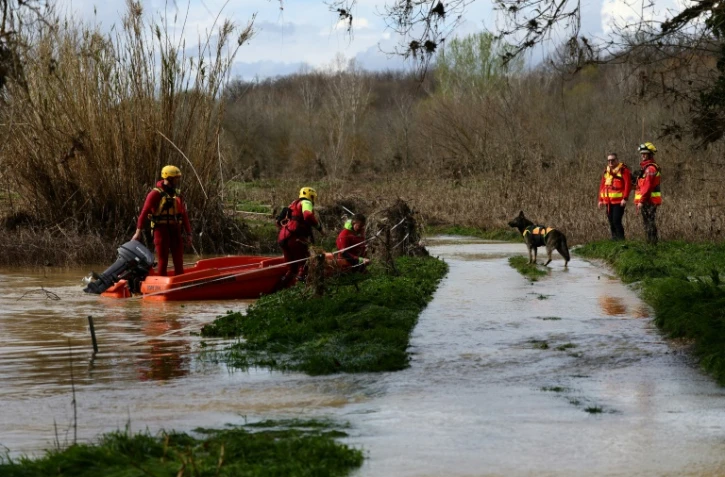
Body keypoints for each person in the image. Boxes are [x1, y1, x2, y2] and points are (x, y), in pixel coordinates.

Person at [131, 165, 192, 276]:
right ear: (168, 178)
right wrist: (138, 232)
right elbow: (144, 213)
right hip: (161, 230)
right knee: (163, 261)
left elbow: (184, 214)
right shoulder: (155, 194)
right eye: (176, 178)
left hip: (175, 230)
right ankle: (161, 286)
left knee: (179, 261)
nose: (178, 180)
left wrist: (189, 233)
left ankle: (181, 286)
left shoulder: (177, 194)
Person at [276, 187, 322, 286]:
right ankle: (301, 287)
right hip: (295, 238)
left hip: (283, 238)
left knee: (291, 268)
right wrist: (319, 227)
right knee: (303, 265)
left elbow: (280, 222)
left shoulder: (292, 204)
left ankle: (281, 286)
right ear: (311, 196)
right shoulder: (306, 203)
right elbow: (308, 215)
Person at [598, 152, 632, 240]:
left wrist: (625, 198)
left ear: (617, 160)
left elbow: (628, 185)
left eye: (612, 160)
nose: (610, 162)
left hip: (619, 201)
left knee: (616, 220)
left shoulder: (623, 170)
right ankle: (614, 239)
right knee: (611, 221)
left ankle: (621, 240)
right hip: (608, 201)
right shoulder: (606, 171)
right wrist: (600, 200)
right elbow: (602, 186)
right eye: (609, 160)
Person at [634, 142, 662, 245]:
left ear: (650, 154)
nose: (643, 156)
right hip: (647, 200)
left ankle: (652, 243)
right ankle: (650, 242)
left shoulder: (650, 168)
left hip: (649, 200)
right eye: (642, 154)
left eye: (645, 154)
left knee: (650, 222)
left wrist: (642, 200)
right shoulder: (645, 168)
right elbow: (642, 186)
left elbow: (648, 186)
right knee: (647, 222)